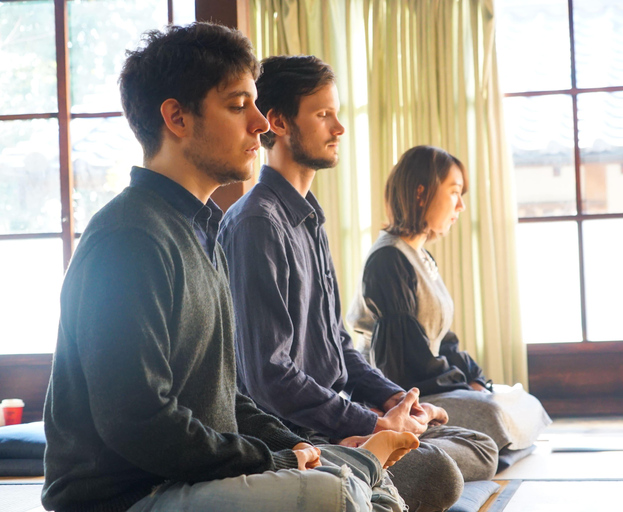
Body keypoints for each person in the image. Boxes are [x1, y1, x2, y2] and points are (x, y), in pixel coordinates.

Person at [41, 23, 419, 512]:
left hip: (191, 479)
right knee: (340, 494)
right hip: (130, 495)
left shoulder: (203, 230)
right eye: (239, 106)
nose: (261, 124)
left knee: (363, 485)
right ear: (176, 117)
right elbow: (137, 421)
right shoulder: (129, 238)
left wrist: (292, 448)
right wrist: (275, 461)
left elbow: (228, 397)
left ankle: (358, 466)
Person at [219, 55, 498, 512]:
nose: (338, 128)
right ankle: (360, 464)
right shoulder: (256, 224)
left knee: (477, 441)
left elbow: (339, 346)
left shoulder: (309, 220)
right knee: (440, 473)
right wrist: (371, 424)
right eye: (324, 114)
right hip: (299, 436)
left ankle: (375, 456)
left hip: (338, 418)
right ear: (279, 122)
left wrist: (393, 398)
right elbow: (269, 377)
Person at [346, 145, 518, 454]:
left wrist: (474, 378)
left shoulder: (421, 256)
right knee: (494, 413)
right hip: (404, 393)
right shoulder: (388, 259)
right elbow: (404, 363)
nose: (461, 205)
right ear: (421, 194)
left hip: (429, 383)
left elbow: (443, 339)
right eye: (454, 192)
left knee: (512, 402)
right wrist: (463, 387)